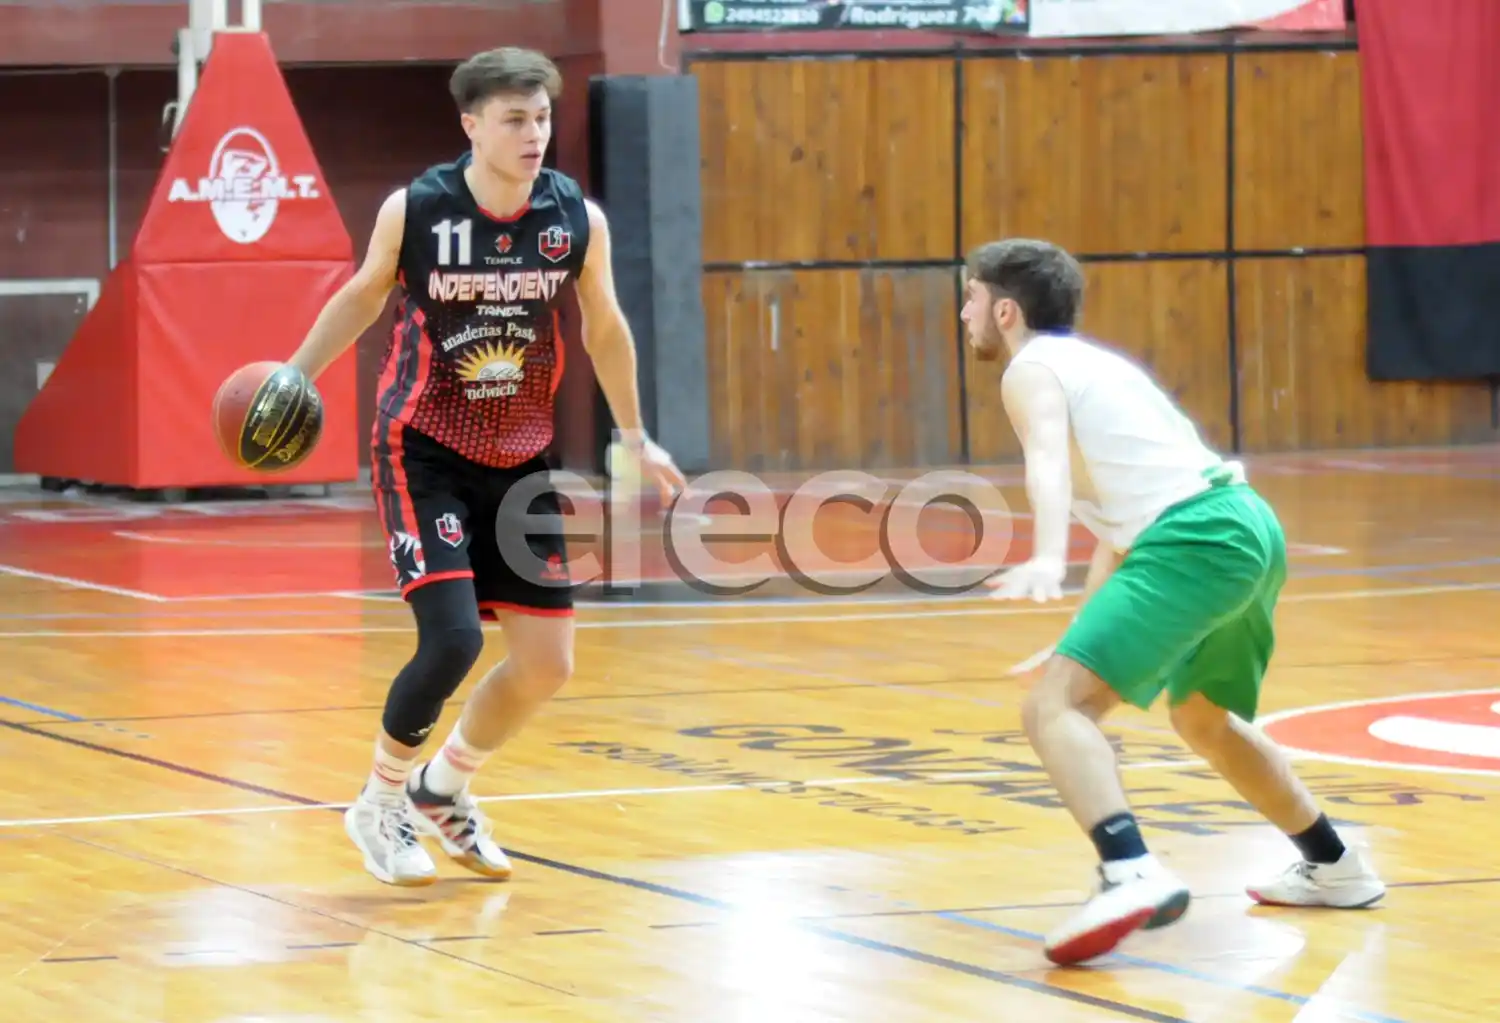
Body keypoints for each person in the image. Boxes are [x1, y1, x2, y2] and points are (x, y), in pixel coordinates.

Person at [286, 47, 685, 886]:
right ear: (471, 125)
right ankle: (378, 802)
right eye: (515, 120)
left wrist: (636, 433)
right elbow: (364, 294)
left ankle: (442, 787)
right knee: (455, 638)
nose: (534, 134)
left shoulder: (575, 217)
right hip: (422, 448)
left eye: (542, 118)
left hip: (521, 457)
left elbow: (605, 325)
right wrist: (295, 374)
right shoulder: (418, 208)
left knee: (548, 663)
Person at [963, 238, 1386, 966]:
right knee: (1202, 717)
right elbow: (1117, 530)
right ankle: (1334, 863)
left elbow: (1046, 462)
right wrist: (1082, 627)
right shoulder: (1096, 367)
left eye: (969, 298)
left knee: (1054, 708)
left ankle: (1128, 870)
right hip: (1245, 525)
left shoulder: (1031, 369)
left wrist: (1044, 556)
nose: (963, 313)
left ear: (1004, 310)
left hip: (1195, 539)